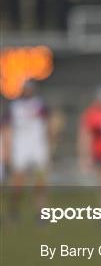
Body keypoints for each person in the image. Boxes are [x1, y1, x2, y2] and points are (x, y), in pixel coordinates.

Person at [3, 80, 54, 221]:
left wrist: (50, 143)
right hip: (20, 147)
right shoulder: (14, 107)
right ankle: (13, 209)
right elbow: (6, 129)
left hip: (38, 146)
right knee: (18, 183)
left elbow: (50, 124)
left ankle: (41, 212)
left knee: (40, 181)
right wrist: (7, 149)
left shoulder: (40, 105)